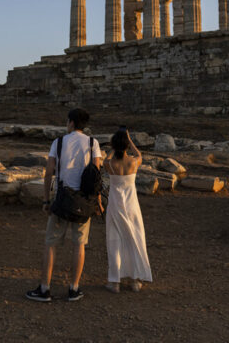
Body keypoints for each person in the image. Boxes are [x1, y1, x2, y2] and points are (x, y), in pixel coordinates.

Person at [26, 108, 102, 303]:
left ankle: (44, 288)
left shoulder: (58, 142)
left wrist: (45, 200)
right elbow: (96, 177)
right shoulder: (93, 144)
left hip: (62, 200)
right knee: (79, 245)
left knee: (51, 244)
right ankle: (74, 288)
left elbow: (49, 171)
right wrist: (98, 203)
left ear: (71, 123)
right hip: (84, 202)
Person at [103, 129, 153, 293]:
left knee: (114, 243)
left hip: (115, 206)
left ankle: (114, 282)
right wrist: (130, 140)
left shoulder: (109, 164)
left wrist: (114, 148)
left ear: (114, 145)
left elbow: (106, 159)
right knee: (134, 240)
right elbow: (139, 154)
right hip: (132, 207)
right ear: (126, 146)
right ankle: (134, 280)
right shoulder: (133, 162)